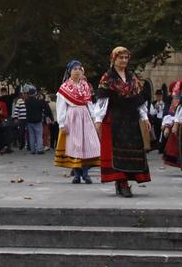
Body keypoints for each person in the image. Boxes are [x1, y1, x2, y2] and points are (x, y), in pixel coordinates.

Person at [97, 48, 152, 198]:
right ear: (114, 59)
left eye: (126, 58)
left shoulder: (132, 78)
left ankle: (125, 180)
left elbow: (139, 101)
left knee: (132, 150)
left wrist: (145, 118)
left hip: (131, 118)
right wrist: (98, 120)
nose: (124, 60)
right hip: (115, 118)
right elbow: (102, 101)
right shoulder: (107, 78)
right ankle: (122, 182)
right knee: (117, 151)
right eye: (120, 58)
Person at [52, 63, 99, 182]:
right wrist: (61, 123)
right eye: (74, 69)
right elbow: (61, 106)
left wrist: (94, 118)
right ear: (69, 71)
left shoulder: (85, 86)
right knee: (75, 146)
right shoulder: (65, 87)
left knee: (88, 144)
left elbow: (89, 103)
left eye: (79, 69)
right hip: (72, 117)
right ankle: (77, 174)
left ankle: (86, 172)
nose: (77, 71)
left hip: (85, 117)